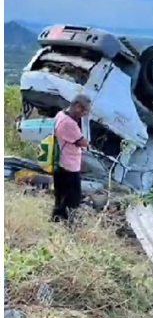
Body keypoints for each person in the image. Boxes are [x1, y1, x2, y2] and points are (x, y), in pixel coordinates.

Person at [51, 94, 91, 223]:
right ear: (78, 107)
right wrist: (87, 142)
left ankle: (56, 219)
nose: (84, 114)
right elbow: (82, 142)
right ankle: (69, 223)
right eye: (84, 111)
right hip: (69, 166)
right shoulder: (70, 124)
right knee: (73, 198)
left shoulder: (60, 115)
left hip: (60, 162)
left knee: (60, 195)